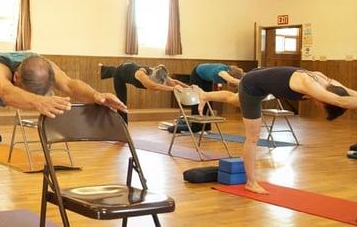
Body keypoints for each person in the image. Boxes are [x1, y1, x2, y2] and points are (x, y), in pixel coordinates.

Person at [0, 38, 127, 227]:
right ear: (16, 77)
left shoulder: (44, 65)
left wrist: (96, 96)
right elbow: (4, 91)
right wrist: (37, 101)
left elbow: (69, 84)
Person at [198, 66, 357, 194]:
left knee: (234, 100)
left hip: (263, 77)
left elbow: (350, 94)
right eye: (324, 107)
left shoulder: (329, 83)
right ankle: (251, 183)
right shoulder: (312, 86)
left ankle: (205, 95)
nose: (320, 106)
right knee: (253, 138)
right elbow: (340, 101)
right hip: (252, 85)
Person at [99, 62, 188, 123]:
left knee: (113, 70)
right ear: (150, 76)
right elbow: (153, 86)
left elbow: (174, 82)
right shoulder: (141, 74)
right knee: (122, 102)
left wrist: (189, 87)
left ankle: (103, 68)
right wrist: (173, 89)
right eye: (155, 81)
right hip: (120, 74)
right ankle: (123, 127)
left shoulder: (159, 73)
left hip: (129, 67)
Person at [189, 63, 244, 131]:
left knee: (208, 99)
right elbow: (232, 80)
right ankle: (195, 127)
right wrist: (245, 84)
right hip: (197, 74)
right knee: (198, 101)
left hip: (206, 79)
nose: (232, 86)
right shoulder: (222, 72)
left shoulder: (229, 73)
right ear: (231, 76)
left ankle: (206, 127)